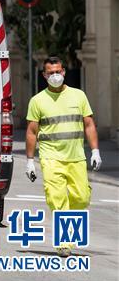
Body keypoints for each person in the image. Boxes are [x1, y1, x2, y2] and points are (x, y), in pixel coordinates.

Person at [25, 55, 101, 257]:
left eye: (58, 72)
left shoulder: (79, 96)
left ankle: (69, 230)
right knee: (57, 198)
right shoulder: (37, 101)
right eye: (51, 73)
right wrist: (30, 161)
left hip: (76, 157)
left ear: (64, 72)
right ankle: (64, 243)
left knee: (82, 198)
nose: (55, 76)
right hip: (51, 158)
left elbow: (89, 124)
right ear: (44, 75)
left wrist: (95, 150)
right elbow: (32, 132)